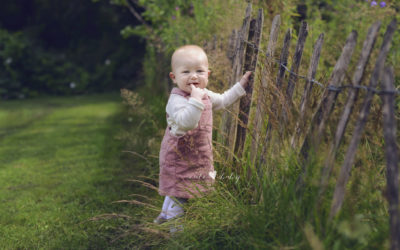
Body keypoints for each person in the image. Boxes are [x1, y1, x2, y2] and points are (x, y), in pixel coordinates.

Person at [154, 45, 251, 224]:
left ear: (208, 74)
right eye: (186, 72)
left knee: (179, 189)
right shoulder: (176, 100)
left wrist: (241, 86)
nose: (193, 76)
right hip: (178, 157)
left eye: (199, 71)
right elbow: (187, 122)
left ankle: (163, 217)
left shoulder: (204, 94)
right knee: (180, 192)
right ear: (174, 78)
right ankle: (176, 233)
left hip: (196, 155)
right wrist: (196, 100)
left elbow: (223, 100)